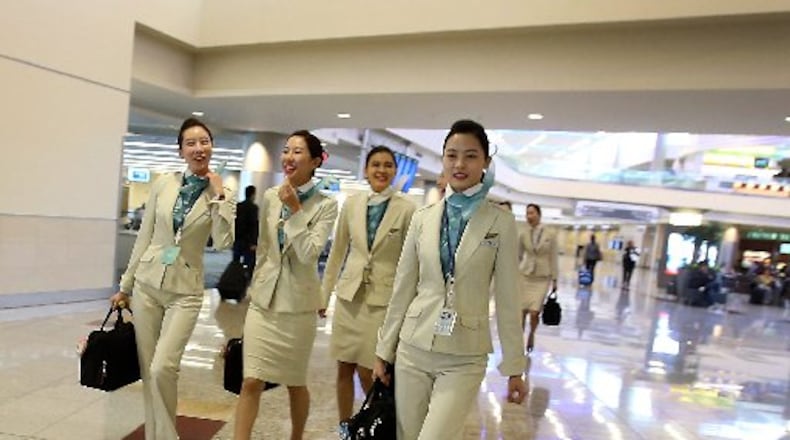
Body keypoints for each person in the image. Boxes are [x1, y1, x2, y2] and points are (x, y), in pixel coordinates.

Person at [373, 119, 527, 439]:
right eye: (451, 154)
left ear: (485, 162)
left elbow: (509, 297)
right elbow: (403, 288)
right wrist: (383, 351)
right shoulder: (423, 219)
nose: (459, 164)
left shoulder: (501, 222)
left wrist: (514, 366)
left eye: (471, 156)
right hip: (413, 348)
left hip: (465, 355)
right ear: (443, 159)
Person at [110, 117, 235, 439]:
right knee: (149, 371)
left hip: (187, 290)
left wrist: (219, 196)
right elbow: (145, 236)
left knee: (163, 367)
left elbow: (223, 241)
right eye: (191, 143)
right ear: (181, 151)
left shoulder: (221, 192)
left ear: (211, 147)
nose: (198, 148)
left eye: (204, 142)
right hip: (147, 285)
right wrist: (125, 286)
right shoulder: (164, 184)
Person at [233, 130, 338, 440]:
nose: (289, 158)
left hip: (298, 306)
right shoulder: (270, 196)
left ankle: (296, 436)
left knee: (294, 382)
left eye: (298, 152)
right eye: (287, 151)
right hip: (264, 301)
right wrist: (257, 286)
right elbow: (266, 248)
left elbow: (309, 254)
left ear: (315, 161)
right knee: (251, 380)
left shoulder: (326, 205)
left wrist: (295, 210)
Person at [319, 145, 416, 423]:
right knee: (343, 368)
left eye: (388, 165)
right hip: (350, 297)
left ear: (395, 171)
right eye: (376, 164)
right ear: (366, 170)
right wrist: (324, 296)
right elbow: (337, 252)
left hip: (383, 302)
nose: (381, 170)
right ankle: (345, 427)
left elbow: (412, 262)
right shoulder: (352, 203)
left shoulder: (407, 209)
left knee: (369, 370)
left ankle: (377, 423)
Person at [518, 203, 558, 354]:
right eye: (527, 213)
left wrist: (555, 279)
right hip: (525, 275)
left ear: (539, 215)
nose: (529, 216)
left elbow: (553, 257)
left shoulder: (550, 234)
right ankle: (518, 341)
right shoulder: (523, 233)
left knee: (535, 312)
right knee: (521, 311)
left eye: (532, 213)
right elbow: (518, 255)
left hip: (542, 277)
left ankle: (532, 334)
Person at [233, 185, 259, 279]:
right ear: (253, 194)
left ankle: (234, 276)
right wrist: (254, 242)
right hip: (248, 239)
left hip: (238, 237)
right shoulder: (254, 208)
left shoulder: (239, 206)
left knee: (236, 260)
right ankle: (245, 278)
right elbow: (254, 225)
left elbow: (235, 221)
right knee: (249, 262)